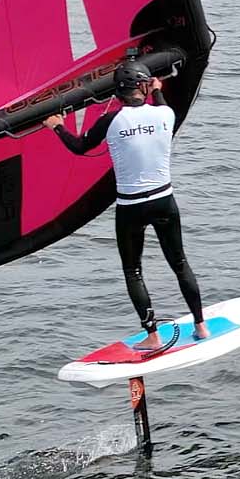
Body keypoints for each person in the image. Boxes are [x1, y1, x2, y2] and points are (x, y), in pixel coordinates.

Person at [44, 62, 206, 348]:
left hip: (131, 206)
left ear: (118, 92)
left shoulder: (111, 122)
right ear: (144, 87)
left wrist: (57, 127)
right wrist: (157, 91)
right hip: (163, 200)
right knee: (179, 264)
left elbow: (80, 147)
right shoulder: (166, 114)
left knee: (133, 271)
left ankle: (152, 335)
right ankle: (201, 326)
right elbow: (160, 104)